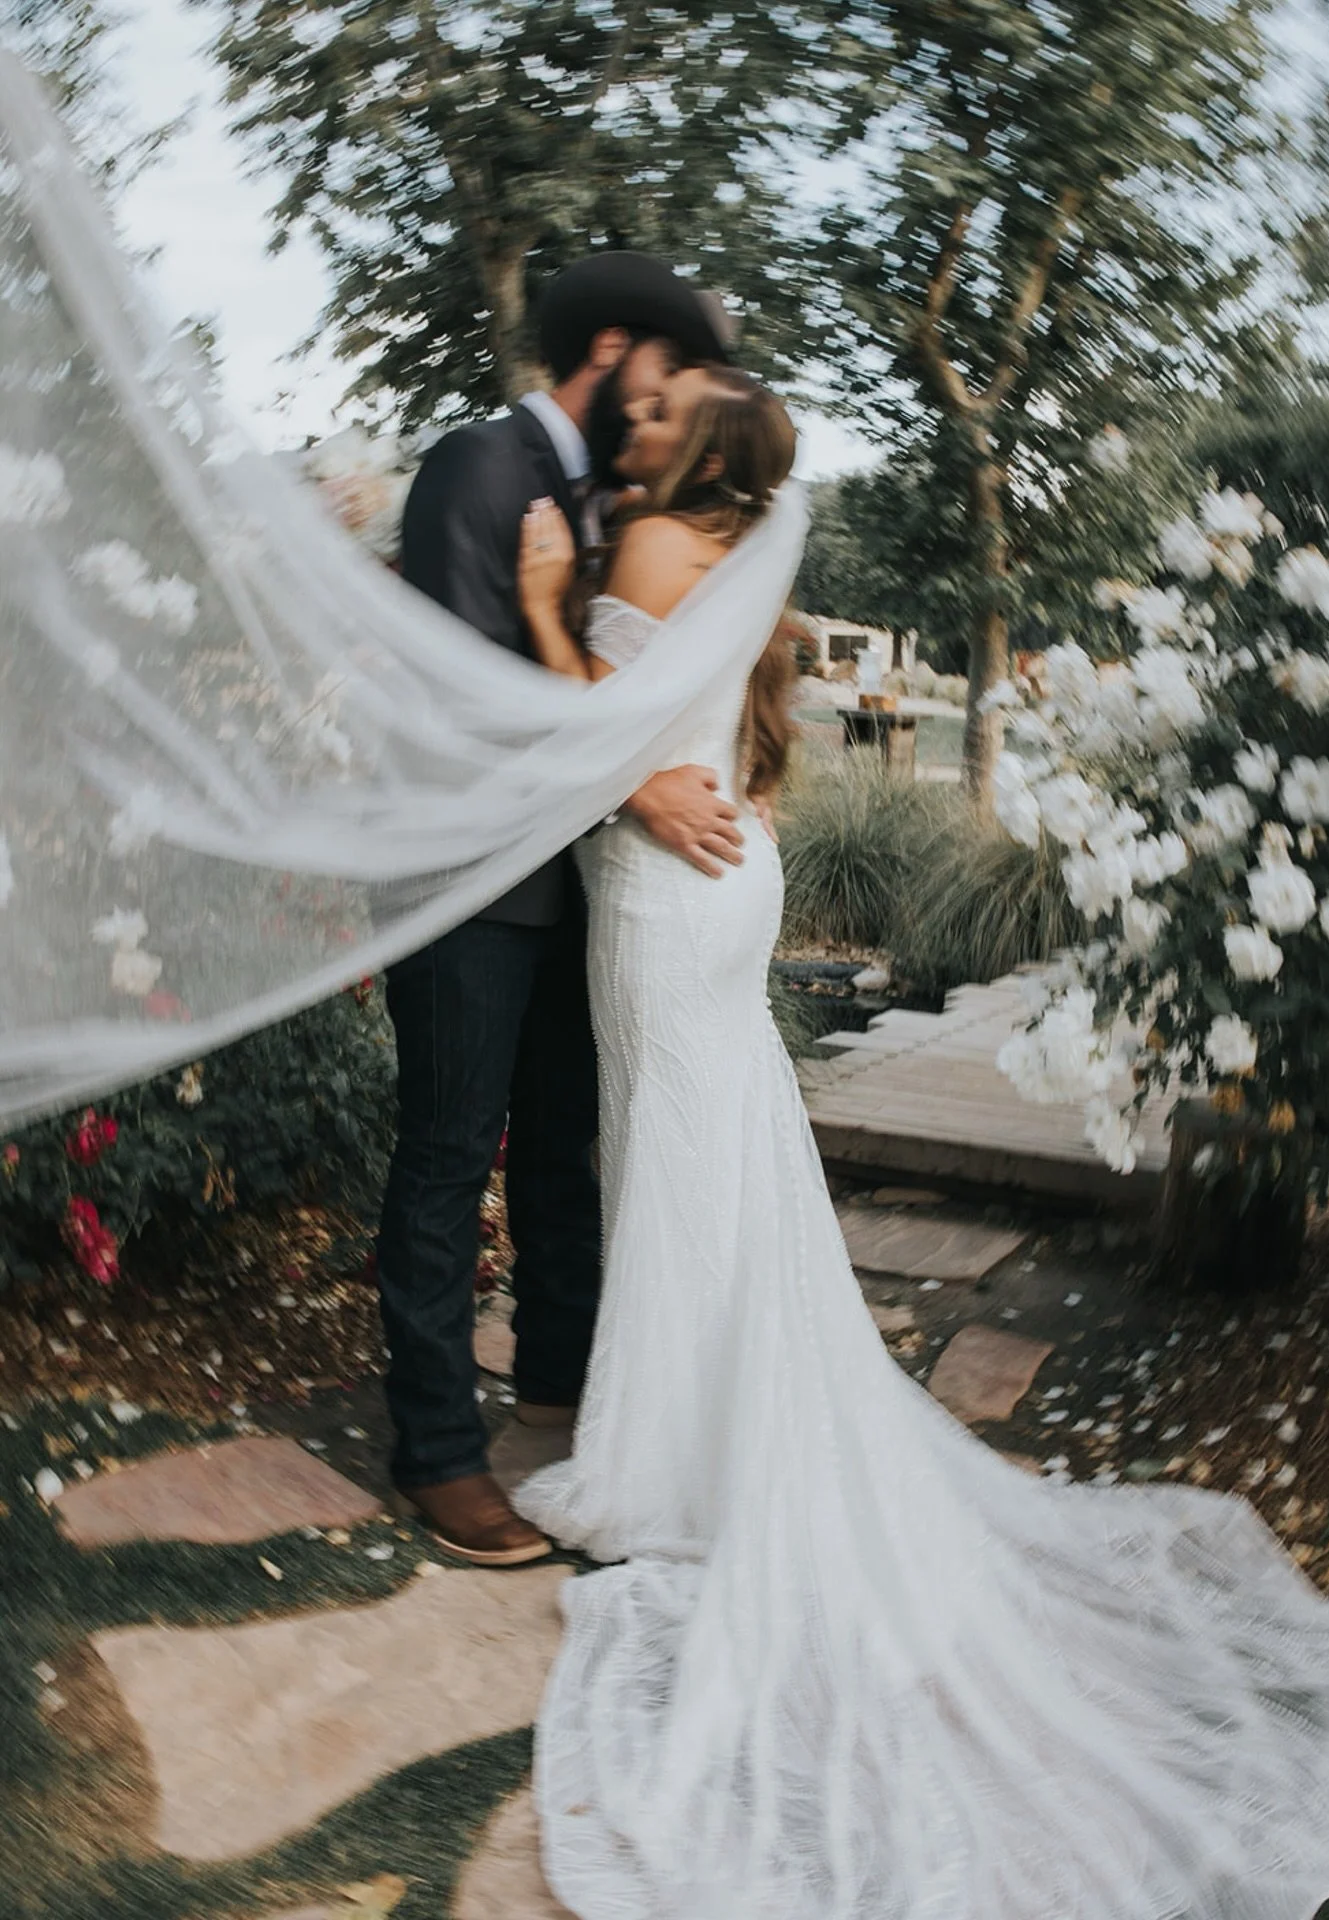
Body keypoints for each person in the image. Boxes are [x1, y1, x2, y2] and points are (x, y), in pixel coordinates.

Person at [510, 366, 1329, 1917]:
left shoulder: (651, 547)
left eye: (668, 410)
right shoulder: (730, 554)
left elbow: (598, 731)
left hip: (664, 894)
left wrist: (536, 606)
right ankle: (700, 1434)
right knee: (713, 1156)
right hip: (721, 882)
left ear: (704, 450)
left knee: (676, 1160)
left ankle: (671, 1465)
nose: (641, 417)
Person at [377, 254, 744, 1567]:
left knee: (559, 1155)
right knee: (447, 1159)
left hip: (581, 886)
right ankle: (436, 1452)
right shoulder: (477, 467)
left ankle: (560, 1387)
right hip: (469, 884)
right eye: (666, 366)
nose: (670, 394)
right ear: (610, 348)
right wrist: (640, 784)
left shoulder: (623, 496)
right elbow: (466, 697)